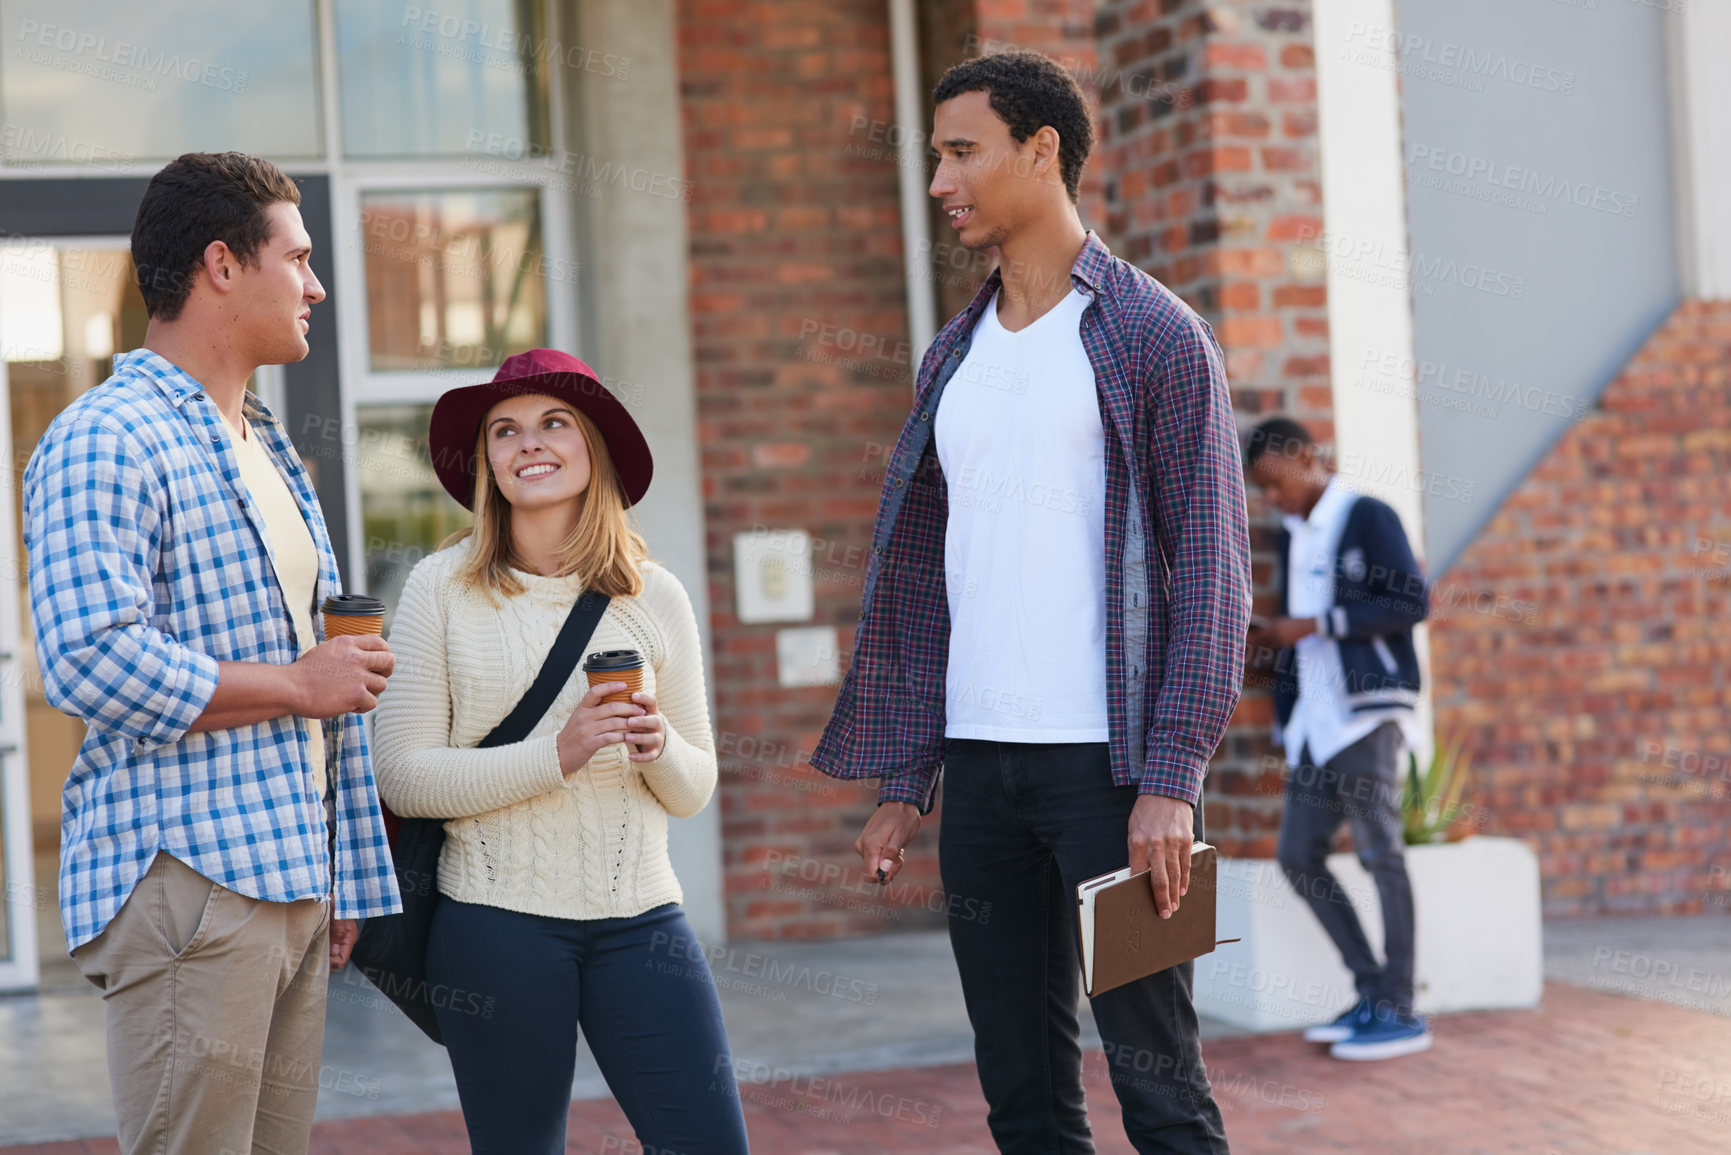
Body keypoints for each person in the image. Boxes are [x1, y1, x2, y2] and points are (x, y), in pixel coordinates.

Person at [811, 51, 1249, 1154]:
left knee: (1162, 1084)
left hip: (1117, 778)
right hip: (984, 778)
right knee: (1021, 1091)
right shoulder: (950, 356)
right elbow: (928, 578)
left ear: (1041, 150)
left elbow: (1211, 568)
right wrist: (907, 778)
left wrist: (1174, 781)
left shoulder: (1156, 335)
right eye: (937, 156)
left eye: (962, 152)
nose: (940, 181)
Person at [23, 152, 401, 1154]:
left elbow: (321, 680)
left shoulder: (264, 444)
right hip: (189, 881)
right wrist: (301, 684)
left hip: (286, 878)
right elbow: (90, 660)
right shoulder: (106, 436)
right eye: (299, 258)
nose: (317, 285)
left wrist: (340, 873)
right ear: (222, 266)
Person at [371, 348, 749, 1155]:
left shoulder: (656, 595)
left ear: (593, 448)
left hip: (642, 920)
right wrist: (561, 752)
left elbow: (693, 787)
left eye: (554, 423)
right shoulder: (440, 589)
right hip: (496, 927)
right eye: (504, 432)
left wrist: (656, 747)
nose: (527, 443)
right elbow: (401, 776)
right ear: (486, 464)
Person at [1243, 416, 1432, 1060]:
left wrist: (1314, 623)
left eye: (1274, 483)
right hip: (1314, 724)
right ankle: (1372, 991)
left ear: (1305, 456)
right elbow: (1304, 634)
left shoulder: (1366, 514)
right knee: (1298, 854)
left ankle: (1401, 1008)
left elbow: (1412, 602)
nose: (1272, 498)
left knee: (1382, 854)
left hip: (1362, 714)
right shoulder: (1295, 535)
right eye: (1262, 490)